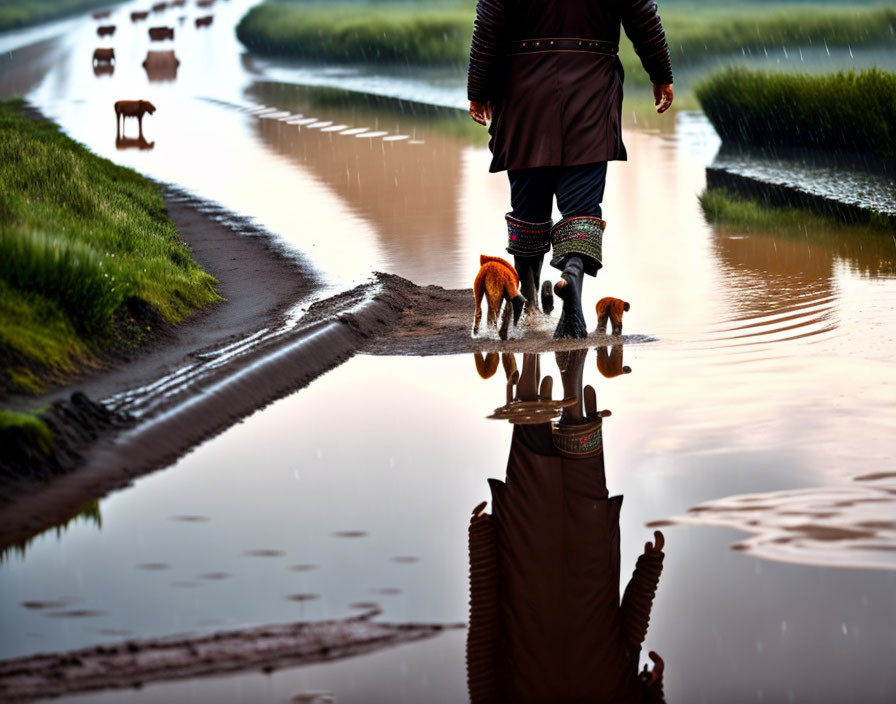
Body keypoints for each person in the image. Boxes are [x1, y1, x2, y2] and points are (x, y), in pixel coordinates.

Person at [467, 350, 667, 702]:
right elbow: (631, 642)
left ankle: (550, 382)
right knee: (558, 486)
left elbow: (484, 645)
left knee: (561, 484)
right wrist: (648, 571)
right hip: (565, 593)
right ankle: (558, 388)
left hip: (540, 584)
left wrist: (482, 545)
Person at [467, 0, 674, 339]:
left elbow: (488, 25)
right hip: (591, 93)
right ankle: (572, 277)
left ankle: (530, 306)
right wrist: (661, 72)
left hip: (524, 98)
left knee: (528, 209)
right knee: (581, 207)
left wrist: (478, 88)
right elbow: (642, 14)